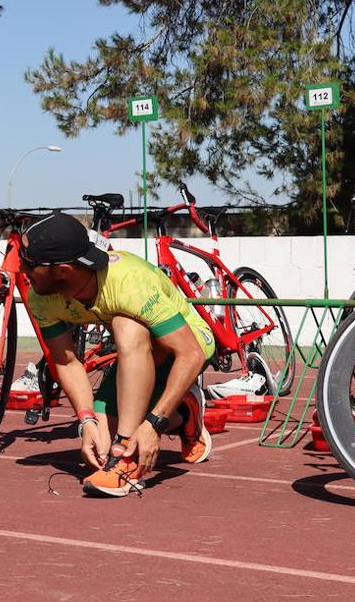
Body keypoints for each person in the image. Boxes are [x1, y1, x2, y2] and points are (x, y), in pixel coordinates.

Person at [21, 211, 215, 497]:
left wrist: (153, 424)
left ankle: (127, 453)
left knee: (127, 325)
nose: (24, 271)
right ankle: (184, 414)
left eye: (30, 264)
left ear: (62, 270)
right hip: (139, 356)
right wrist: (86, 420)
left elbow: (191, 354)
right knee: (99, 449)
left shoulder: (128, 281)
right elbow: (66, 360)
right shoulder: (40, 295)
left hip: (187, 345)